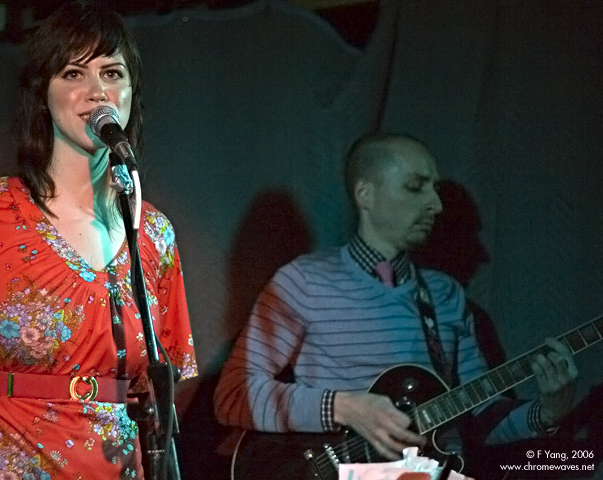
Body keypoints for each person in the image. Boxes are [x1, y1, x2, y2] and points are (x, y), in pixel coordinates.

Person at [0, 2, 197, 479]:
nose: (97, 91)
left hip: (117, 465)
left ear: (131, 92)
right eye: (74, 73)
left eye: (112, 73)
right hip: (5, 459)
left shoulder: (154, 232)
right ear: (43, 93)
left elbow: (164, 380)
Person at [213, 133, 577, 478]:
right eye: (416, 187)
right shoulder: (304, 281)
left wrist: (547, 411)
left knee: (565, 467)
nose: (436, 205)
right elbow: (233, 395)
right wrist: (344, 407)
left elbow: (480, 418)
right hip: (342, 472)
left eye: (435, 190)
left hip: (435, 472)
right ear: (365, 194)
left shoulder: (446, 295)